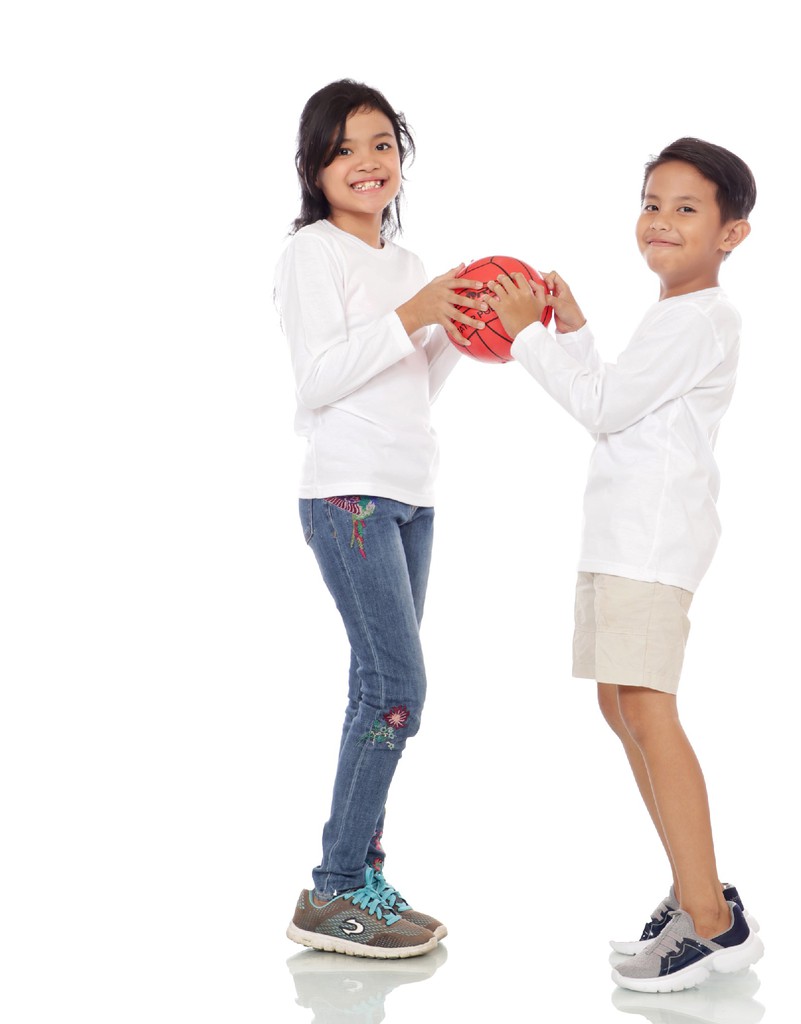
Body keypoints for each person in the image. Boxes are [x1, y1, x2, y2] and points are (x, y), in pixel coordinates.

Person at [484, 138, 765, 992]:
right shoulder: (673, 315)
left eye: (687, 208)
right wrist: (571, 330)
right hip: (620, 538)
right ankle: (696, 891)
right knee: (620, 705)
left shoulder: (704, 317)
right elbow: (620, 396)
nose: (661, 221)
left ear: (731, 234)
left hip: (651, 541)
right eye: (651, 203)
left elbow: (603, 406)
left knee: (648, 708)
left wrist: (523, 335)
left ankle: (711, 921)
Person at [273, 79, 485, 958]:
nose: (367, 163)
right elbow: (320, 378)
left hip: (409, 495)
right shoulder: (312, 253)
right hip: (348, 496)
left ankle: (358, 874)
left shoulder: (408, 263)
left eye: (382, 145)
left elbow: (412, 382)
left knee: (378, 690)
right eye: (344, 149)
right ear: (315, 167)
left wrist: (462, 327)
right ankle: (333, 889)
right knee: (398, 692)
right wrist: (414, 313)